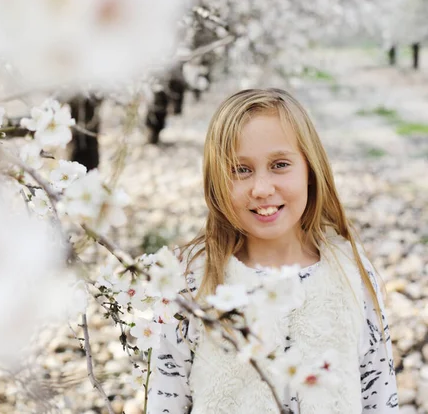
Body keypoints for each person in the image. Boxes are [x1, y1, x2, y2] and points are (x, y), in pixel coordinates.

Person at [146, 88, 399, 413]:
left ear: (310, 169)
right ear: (216, 181)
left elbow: (380, 395)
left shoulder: (351, 275)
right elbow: (165, 400)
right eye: (241, 170)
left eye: (280, 165)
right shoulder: (192, 280)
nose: (262, 189)